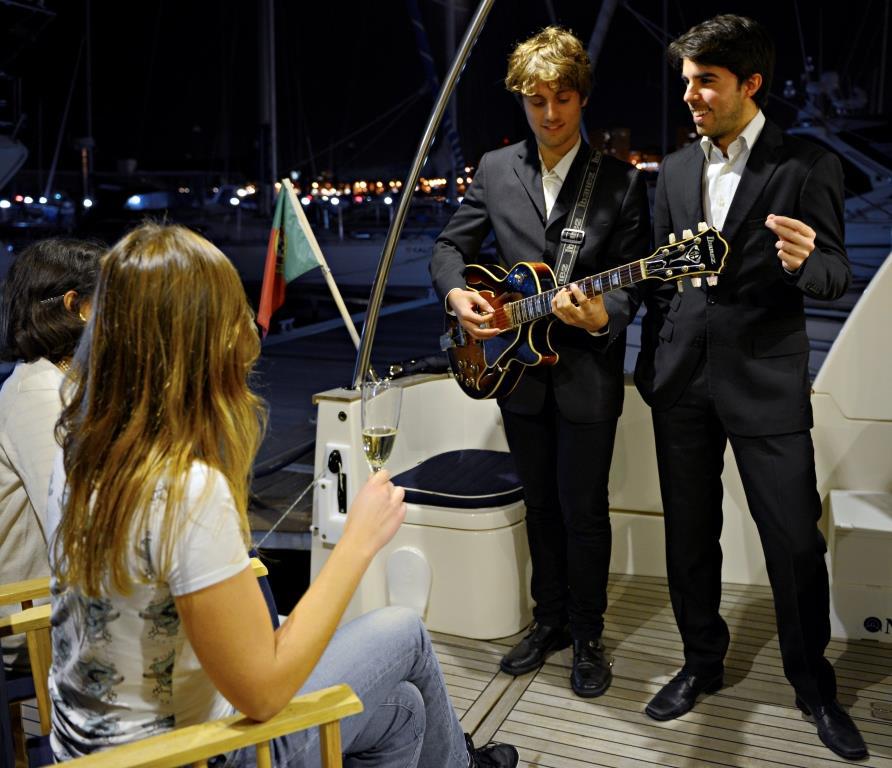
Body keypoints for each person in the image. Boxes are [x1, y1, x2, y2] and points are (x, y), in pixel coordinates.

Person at [45, 223, 518, 768]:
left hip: (87, 750)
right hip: (195, 753)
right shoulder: (186, 491)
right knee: (404, 631)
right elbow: (263, 692)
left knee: (403, 711)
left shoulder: (79, 448)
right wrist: (357, 544)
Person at [633, 15, 868, 761]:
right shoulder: (671, 172)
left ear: (750, 84)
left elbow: (835, 275)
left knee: (796, 543)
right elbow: (657, 282)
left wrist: (804, 263)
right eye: (687, 82)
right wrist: (637, 349)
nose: (692, 96)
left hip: (765, 384)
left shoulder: (805, 165)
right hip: (681, 385)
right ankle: (702, 663)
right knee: (688, 539)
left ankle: (813, 688)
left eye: (706, 82)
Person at [430, 27, 650, 697]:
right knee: (541, 507)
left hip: (586, 374)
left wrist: (605, 313)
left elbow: (638, 279)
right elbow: (447, 247)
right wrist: (459, 293)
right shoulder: (496, 171)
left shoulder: (619, 181)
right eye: (535, 101)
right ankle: (547, 620)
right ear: (521, 102)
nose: (549, 115)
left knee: (583, 510)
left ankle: (588, 634)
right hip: (514, 371)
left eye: (561, 99)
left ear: (582, 98)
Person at [0, 237, 101, 670]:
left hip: (66, 618)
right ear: (77, 305)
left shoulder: (66, 384)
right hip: (33, 630)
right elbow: (76, 526)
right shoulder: (38, 394)